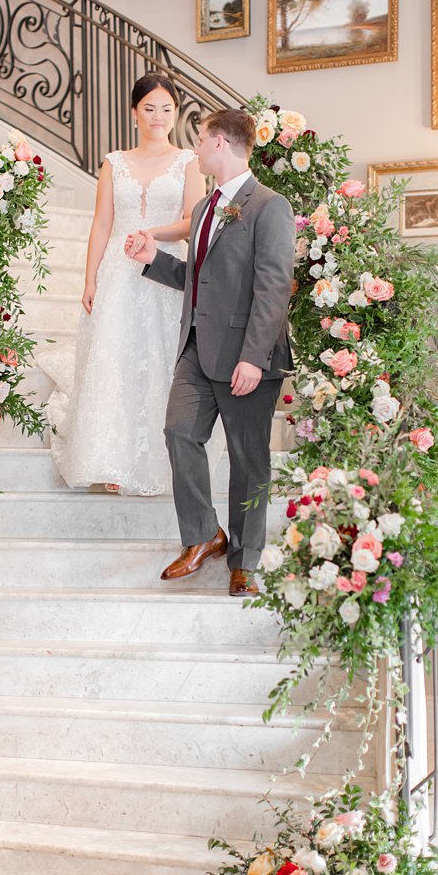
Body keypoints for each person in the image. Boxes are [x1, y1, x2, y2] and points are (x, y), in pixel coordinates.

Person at [124, 108, 295, 595]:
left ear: (220, 143)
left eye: (200, 140)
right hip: (196, 350)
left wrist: (253, 357)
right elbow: (198, 282)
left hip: (247, 354)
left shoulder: (269, 205)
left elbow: (273, 288)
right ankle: (203, 535)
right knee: (178, 432)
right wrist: (154, 260)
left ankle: (245, 559)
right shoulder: (202, 210)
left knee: (248, 460)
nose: (194, 149)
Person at [43, 73, 204, 495]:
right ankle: (110, 461)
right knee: (115, 361)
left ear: (176, 113)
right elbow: (102, 222)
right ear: (135, 112)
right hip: (118, 271)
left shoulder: (189, 161)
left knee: (159, 360)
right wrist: (90, 277)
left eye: (167, 109)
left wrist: (155, 236)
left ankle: (162, 460)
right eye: (149, 109)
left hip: (165, 266)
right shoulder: (114, 162)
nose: (158, 117)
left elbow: (193, 221)